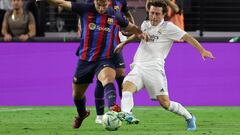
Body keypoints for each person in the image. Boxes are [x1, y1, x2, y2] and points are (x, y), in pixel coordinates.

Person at [114, 0, 215, 131]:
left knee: (165, 103)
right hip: (138, 66)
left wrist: (202, 50)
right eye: (152, 13)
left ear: (163, 15)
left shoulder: (169, 27)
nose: (154, 16)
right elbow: (137, 35)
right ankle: (127, 114)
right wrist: (124, 43)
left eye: (157, 14)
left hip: (154, 69)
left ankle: (189, 117)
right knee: (126, 87)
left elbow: (188, 37)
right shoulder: (145, 24)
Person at [46, 0, 148, 129]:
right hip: (85, 59)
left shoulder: (115, 14)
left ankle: (113, 108)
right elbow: (61, 3)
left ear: (108, 3)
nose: (101, 8)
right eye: (98, 5)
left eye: (104, 5)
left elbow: (130, 26)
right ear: (94, 2)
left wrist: (140, 32)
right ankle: (82, 114)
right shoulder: (85, 8)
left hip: (105, 58)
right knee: (77, 95)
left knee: (107, 78)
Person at [84, 0, 136, 125]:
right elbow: (85, 14)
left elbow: (127, 13)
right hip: (99, 47)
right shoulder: (93, 2)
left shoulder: (120, 2)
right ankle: (100, 114)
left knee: (121, 77)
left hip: (115, 45)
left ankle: (126, 112)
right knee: (102, 79)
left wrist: (130, 27)